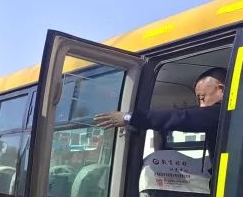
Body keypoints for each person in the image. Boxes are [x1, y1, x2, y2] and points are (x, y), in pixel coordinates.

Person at [94, 67, 227, 157]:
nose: (201, 106)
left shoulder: (225, 113)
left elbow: (181, 118)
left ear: (221, 90)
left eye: (202, 98)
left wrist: (129, 117)